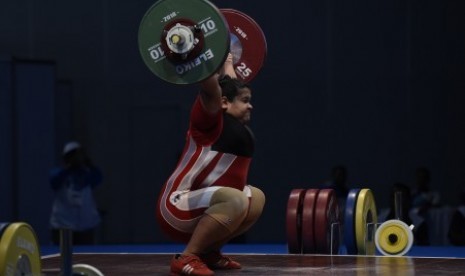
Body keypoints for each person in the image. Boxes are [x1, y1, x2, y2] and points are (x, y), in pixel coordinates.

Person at [156, 54, 265, 276]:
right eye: (245, 101)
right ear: (224, 103)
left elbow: (229, 87)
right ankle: (186, 257)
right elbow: (211, 89)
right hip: (177, 207)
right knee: (235, 198)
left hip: (202, 205)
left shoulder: (232, 119)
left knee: (255, 198)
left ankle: (208, 252)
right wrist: (199, 53)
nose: (251, 106)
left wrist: (227, 60)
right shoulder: (209, 122)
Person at [49, 141, 103, 245]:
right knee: (60, 257)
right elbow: (54, 181)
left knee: (86, 258)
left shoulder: (88, 173)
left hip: (85, 225)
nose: (77, 158)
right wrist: (69, 167)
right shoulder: (59, 173)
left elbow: (98, 178)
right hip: (62, 225)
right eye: (74, 155)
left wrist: (88, 164)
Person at [409, 166, 440, 245]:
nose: (421, 180)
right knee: (410, 230)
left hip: (428, 222)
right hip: (414, 223)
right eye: (419, 177)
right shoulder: (411, 194)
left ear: (427, 179)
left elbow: (435, 206)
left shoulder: (433, 195)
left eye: (423, 178)